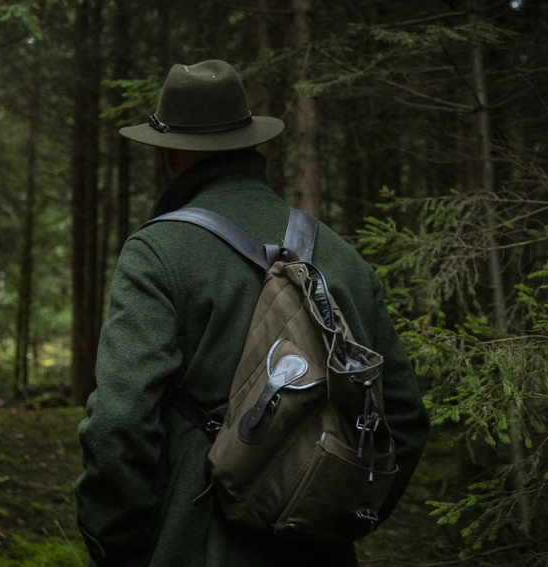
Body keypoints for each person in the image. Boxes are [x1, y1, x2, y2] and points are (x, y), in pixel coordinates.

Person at [75, 59, 430, 567]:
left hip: (193, 544)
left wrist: (116, 544)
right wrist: (337, 509)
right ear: (250, 143)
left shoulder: (157, 252)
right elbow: (405, 419)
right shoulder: (341, 257)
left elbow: (117, 425)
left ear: (171, 155)